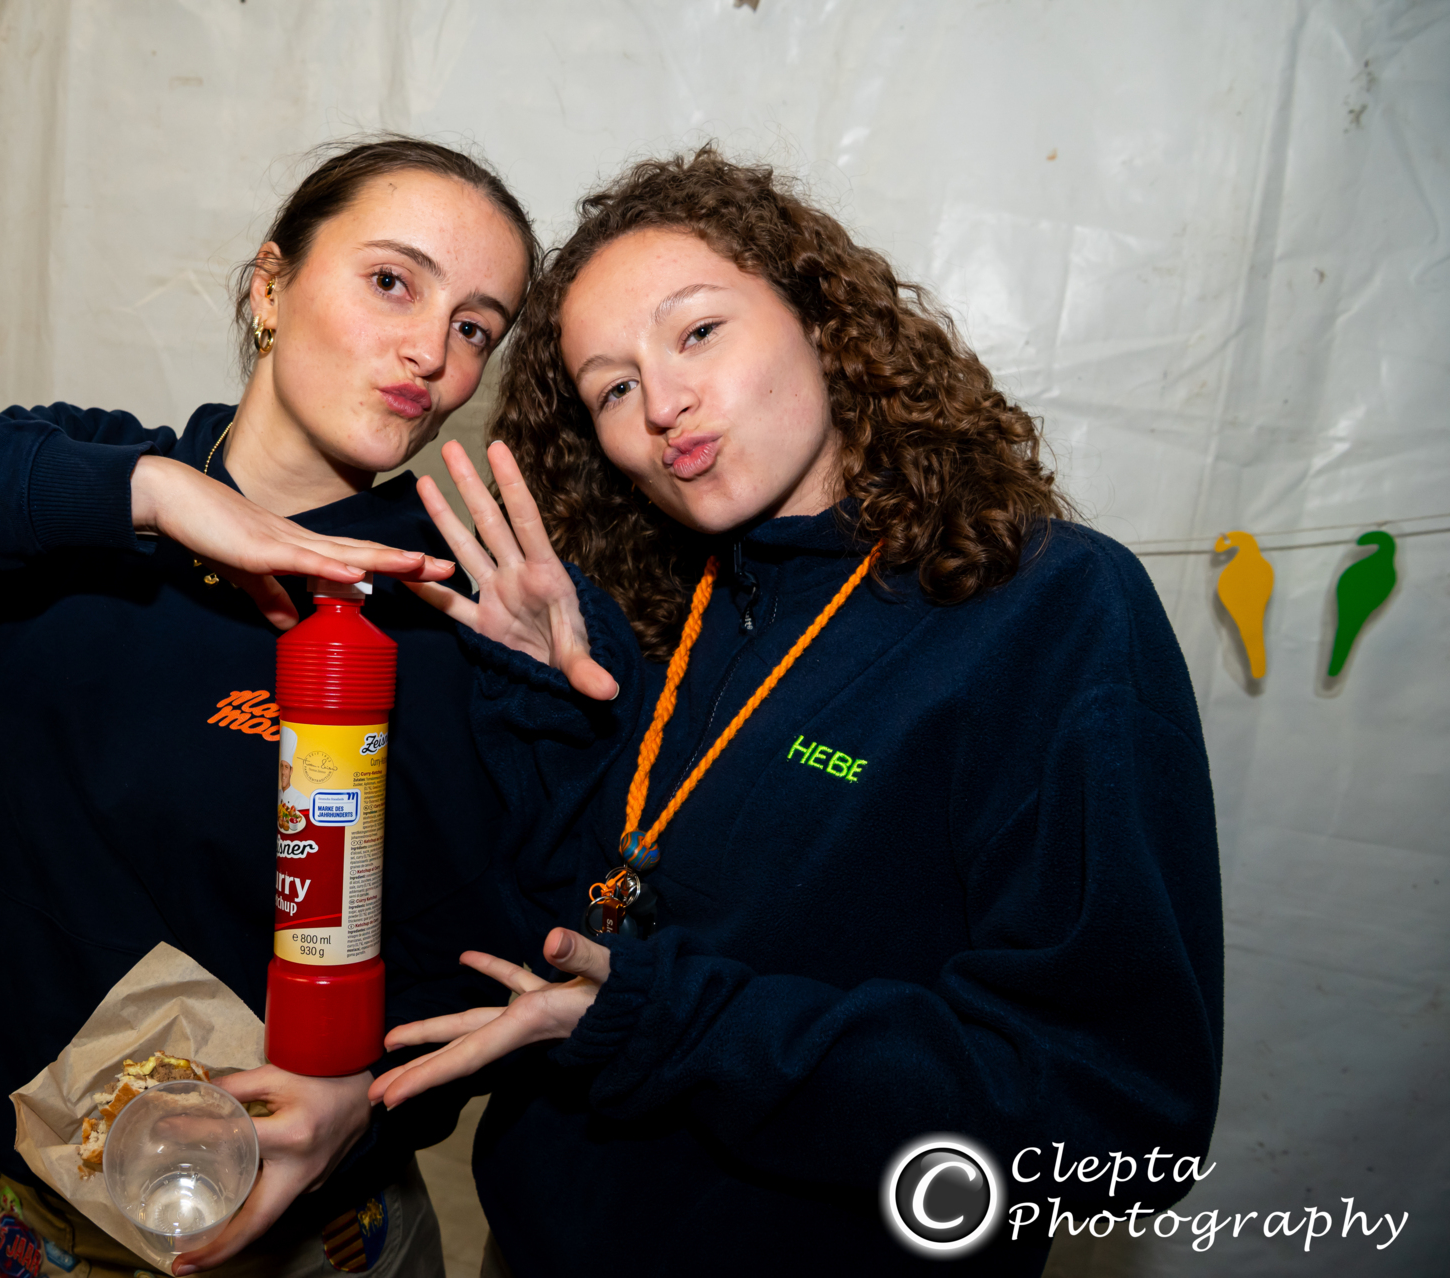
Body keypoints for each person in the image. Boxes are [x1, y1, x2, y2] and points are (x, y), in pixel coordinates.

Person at [369, 148, 1224, 1276]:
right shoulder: (660, 609)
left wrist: (678, 1028)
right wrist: (551, 718)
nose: (661, 405)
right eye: (613, 388)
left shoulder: (1049, 608)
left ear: (822, 319)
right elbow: (576, 931)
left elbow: (1116, 1115)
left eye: (698, 332)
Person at [0, 137, 536, 1277]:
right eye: (393, 281)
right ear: (270, 287)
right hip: (47, 1228)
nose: (431, 353)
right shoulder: (91, 491)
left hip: (325, 1240)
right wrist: (144, 497)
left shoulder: (451, 597)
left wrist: (363, 1099)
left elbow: (494, 933)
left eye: (475, 328)